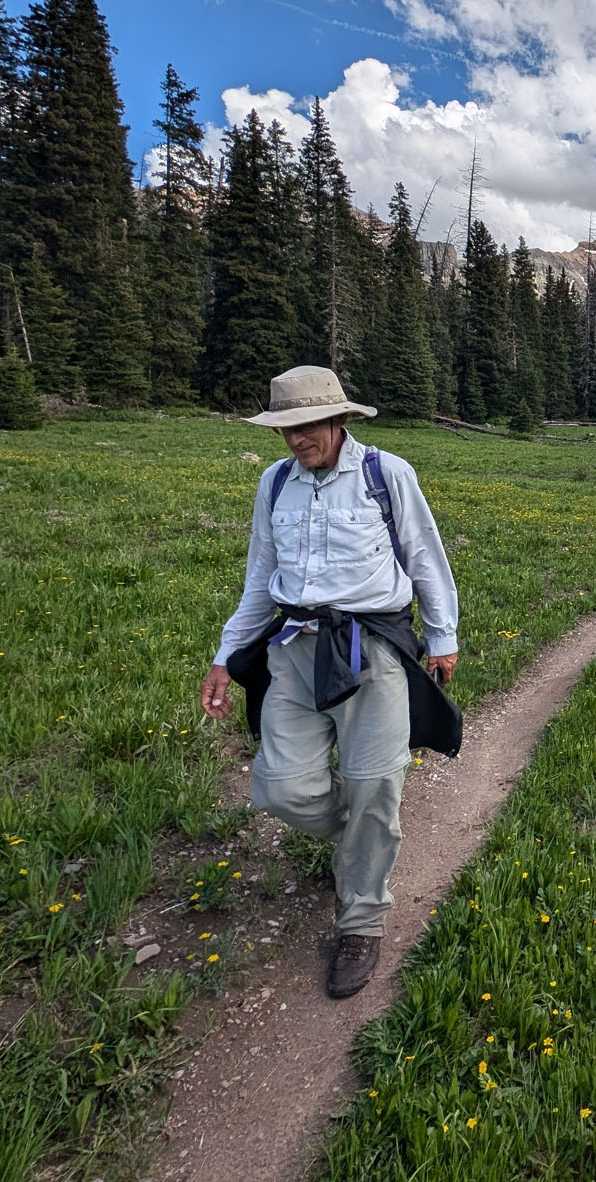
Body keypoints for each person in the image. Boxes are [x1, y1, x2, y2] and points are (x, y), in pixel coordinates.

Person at [200, 365, 458, 998]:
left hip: (371, 648)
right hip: (292, 647)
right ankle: (360, 842)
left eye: (306, 425)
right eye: (285, 428)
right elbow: (261, 574)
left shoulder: (385, 475)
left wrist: (444, 637)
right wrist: (224, 656)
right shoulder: (274, 484)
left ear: (339, 419)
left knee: (375, 782)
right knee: (279, 787)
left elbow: (424, 555)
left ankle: (361, 923)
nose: (295, 440)